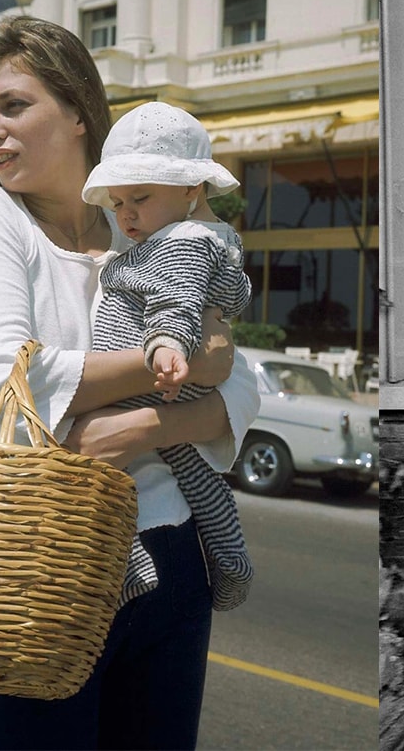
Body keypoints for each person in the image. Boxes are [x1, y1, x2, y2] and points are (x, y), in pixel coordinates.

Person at [0, 15, 259, 749]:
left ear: (79, 111)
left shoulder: (144, 224)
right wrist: (181, 369)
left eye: (14, 105)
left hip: (174, 557)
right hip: (41, 563)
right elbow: (7, 380)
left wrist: (142, 425)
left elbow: (241, 385)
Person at [83, 101, 254, 613]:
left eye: (140, 197)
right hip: (171, 377)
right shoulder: (204, 237)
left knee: (87, 457)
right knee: (194, 471)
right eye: (116, 202)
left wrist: (166, 347)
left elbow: (175, 300)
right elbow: (229, 294)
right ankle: (230, 558)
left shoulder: (181, 241)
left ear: (191, 188)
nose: (125, 214)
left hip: (152, 372)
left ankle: (127, 561)